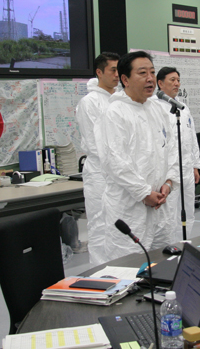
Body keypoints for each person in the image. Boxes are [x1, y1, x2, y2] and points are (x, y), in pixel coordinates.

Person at [101, 51, 179, 259]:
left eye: (152, 72)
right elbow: (115, 162)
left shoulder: (157, 109)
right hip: (130, 207)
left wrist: (169, 183)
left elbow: (171, 149)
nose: (150, 78)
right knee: (130, 267)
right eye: (142, 73)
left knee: (164, 261)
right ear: (125, 79)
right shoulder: (115, 112)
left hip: (160, 204)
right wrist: (145, 193)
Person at [75, 52, 119, 265]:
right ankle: (101, 273)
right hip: (100, 172)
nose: (117, 75)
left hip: (118, 173)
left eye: (119, 70)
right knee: (100, 226)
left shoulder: (119, 99)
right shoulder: (89, 102)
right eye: (113, 70)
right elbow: (95, 143)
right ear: (99, 72)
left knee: (118, 224)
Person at [154, 67, 200, 241]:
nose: (176, 83)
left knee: (188, 209)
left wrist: (195, 165)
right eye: (172, 80)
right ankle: (171, 247)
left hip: (187, 168)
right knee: (170, 214)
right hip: (169, 172)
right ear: (160, 83)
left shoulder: (183, 107)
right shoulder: (156, 108)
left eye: (178, 80)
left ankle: (186, 243)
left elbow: (191, 137)